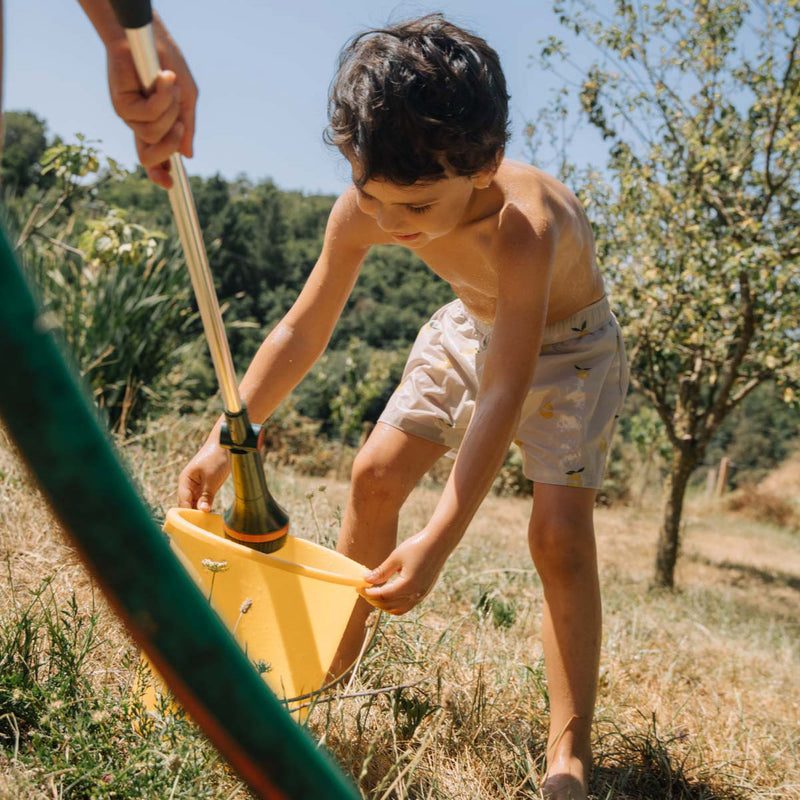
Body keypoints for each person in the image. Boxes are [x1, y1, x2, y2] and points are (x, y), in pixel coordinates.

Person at [177, 15, 628, 800]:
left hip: (569, 351)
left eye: (413, 208)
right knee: (375, 475)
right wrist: (232, 434)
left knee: (559, 538)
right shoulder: (371, 203)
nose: (387, 223)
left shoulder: (525, 228)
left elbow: (507, 386)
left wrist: (438, 540)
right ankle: (328, 679)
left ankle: (569, 757)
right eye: (370, 195)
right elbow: (303, 328)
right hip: (471, 322)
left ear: (481, 165)